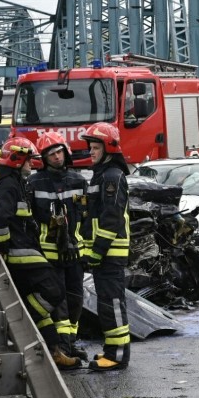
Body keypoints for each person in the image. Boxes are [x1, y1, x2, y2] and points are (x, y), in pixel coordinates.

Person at [0, 137, 81, 371]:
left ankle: (54, 351)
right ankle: (20, 319)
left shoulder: (14, 182)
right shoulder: (9, 185)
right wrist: (3, 248)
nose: (32, 164)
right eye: (29, 159)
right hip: (21, 253)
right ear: (18, 160)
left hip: (23, 250)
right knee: (54, 291)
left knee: (41, 303)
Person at [27, 132, 89, 362]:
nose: (56, 157)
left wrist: (87, 251)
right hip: (49, 255)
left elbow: (87, 217)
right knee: (59, 302)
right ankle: (60, 350)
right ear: (43, 158)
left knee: (76, 300)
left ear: (66, 152)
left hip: (76, 253)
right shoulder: (33, 183)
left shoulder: (78, 181)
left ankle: (71, 345)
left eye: (59, 152)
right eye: (51, 154)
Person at [80, 122, 131, 372]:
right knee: (107, 305)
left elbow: (111, 217)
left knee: (113, 305)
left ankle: (118, 355)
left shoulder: (112, 176)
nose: (91, 151)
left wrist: (97, 251)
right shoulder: (101, 175)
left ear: (108, 147)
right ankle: (112, 350)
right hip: (104, 254)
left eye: (95, 147)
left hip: (110, 254)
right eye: (90, 147)